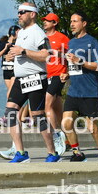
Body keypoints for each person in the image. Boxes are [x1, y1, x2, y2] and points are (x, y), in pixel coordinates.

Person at [4, 2, 60, 163]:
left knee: (38, 117)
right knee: (10, 113)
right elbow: (21, 53)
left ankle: (52, 153)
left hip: (36, 78)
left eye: (23, 12)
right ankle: (20, 153)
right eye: (18, 12)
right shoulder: (21, 33)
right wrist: (11, 56)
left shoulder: (38, 33)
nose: (19, 14)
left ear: (32, 14)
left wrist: (22, 51)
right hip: (20, 79)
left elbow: (46, 55)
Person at [61, 11, 98, 162]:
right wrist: (67, 74)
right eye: (71, 21)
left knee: (93, 128)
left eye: (75, 21)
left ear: (84, 24)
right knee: (66, 123)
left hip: (89, 92)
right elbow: (73, 66)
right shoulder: (71, 43)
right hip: (73, 91)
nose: (72, 24)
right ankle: (77, 153)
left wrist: (80, 61)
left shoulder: (92, 42)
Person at [42, 12, 69, 156]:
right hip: (45, 75)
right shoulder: (42, 37)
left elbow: (71, 56)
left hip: (59, 74)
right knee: (58, 110)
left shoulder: (62, 38)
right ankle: (69, 138)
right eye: (44, 20)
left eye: (48, 20)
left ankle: (56, 136)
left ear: (55, 23)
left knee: (47, 105)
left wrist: (68, 72)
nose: (45, 22)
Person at [0, 25, 20, 160]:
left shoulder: (19, 43)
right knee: (10, 94)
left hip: (15, 71)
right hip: (6, 70)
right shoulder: (3, 42)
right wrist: (5, 49)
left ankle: (7, 115)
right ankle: (16, 114)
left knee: (10, 94)